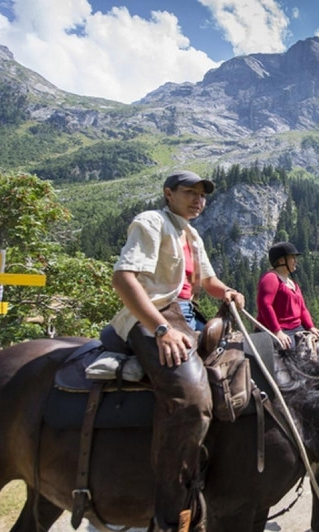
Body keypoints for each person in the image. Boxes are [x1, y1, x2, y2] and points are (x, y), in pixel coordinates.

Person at [110, 170, 245, 531]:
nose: (198, 200)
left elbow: (207, 282)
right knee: (190, 398)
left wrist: (228, 292)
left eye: (203, 195)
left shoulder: (191, 233)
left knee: (241, 372)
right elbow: (123, 277)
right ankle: (170, 514)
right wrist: (161, 330)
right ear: (168, 193)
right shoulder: (151, 222)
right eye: (190, 192)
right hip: (150, 317)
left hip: (187, 316)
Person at [256, 241, 319, 349]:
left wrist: (311, 327)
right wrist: (277, 331)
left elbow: (303, 309)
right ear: (282, 260)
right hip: (277, 331)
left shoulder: (292, 283)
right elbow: (265, 304)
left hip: (297, 330)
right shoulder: (271, 278)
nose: (295, 261)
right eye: (292, 257)